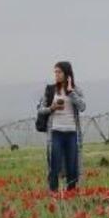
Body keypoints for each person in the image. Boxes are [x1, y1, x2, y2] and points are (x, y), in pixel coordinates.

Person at [37, 61, 86, 192]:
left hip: (72, 132)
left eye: (59, 72)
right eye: (55, 72)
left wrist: (71, 92)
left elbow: (82, 107)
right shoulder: (50, 90)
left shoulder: (76, 90)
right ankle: (53, 191)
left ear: (67, 74)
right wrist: (51, 108)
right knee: (54, 163)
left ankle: (71, 192)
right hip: (55, 132)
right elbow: (40, 109)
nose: (56, 75)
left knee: (72, 164)